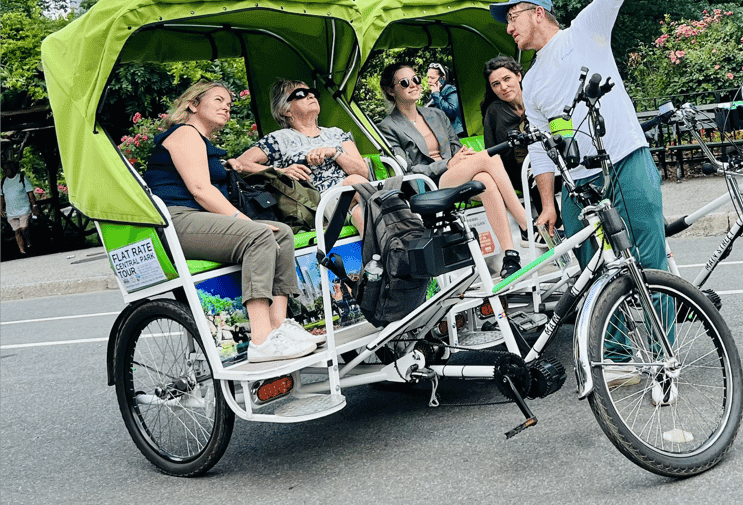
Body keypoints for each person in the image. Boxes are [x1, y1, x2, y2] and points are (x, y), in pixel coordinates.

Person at [488, 0, 684, 274]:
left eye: (513, 17)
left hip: (626, 159)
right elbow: (543, 148)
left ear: (538, 13)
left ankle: (663, 336)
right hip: (578, 184)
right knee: (593, 277)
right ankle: (608, 335)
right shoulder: (530, 80)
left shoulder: (586, 32)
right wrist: (549, 203)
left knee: (650, 262)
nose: (509, 28)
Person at [143, 81, 324, 363]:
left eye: (229, 102)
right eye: (217, 100)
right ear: (193, 105)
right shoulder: (185, 134)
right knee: (259, 235)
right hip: (176, 220)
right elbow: (200, 190)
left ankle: (279, 327)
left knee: (282, 233)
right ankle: (262, 340)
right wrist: (244, 221)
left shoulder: (202, 142)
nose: (226, 106)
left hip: (198, 219)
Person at [378, 62, 532, 278]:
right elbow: (406, 169)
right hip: (429, 184)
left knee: (485, 180)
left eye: (416, 79)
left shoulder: (436, 114)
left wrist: (462, 157)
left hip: (455, 174)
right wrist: (447, 164)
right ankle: (527, 225)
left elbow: (454, 147)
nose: (413, 84)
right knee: (491, 158)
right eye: (405, 82)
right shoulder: (388, 126)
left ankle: (511, 256)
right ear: (390, 90)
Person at [234, 80, 369, 233]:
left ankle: (385, 256)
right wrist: (281, 171)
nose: (311, 96)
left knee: (360, 214)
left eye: (313, 93)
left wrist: (334, 153)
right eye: (301, 94)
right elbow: (239, 164)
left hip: (352, 200)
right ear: (285, 110)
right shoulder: (278, 139)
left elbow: (363, 172)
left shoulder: (337, 133)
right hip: (316, 203)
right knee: (354, 182)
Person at [481, 55, 562, 234]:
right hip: (518, 171)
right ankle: (554, 231)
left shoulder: (536, 98)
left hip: (552, 161)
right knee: (534, 173)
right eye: (496, 84)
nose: (503, 87)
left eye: (506, 79)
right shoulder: (494, 112)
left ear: (518, 75)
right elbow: (492, 152)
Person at [1, 161, 39, 257]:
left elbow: (30, 193)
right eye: (4, 169)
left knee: (24, 228)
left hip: (24, 209)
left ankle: (29, 245)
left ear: (13, 168)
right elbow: (1, 196)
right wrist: (1, 208)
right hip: (11, 211)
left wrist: (34, 206)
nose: (5, 171)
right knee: (17, 231)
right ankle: (22, 251)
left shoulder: (21, 178)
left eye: (7, 169)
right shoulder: (3, 181)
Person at [425, 62, 465, 135]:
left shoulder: (450, 89)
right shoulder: (433, 95)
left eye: (432, 78)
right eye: (428, 77)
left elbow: (452, 111)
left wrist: (436, 94)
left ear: (442, 79)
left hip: (456, 135)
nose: (429, 81)